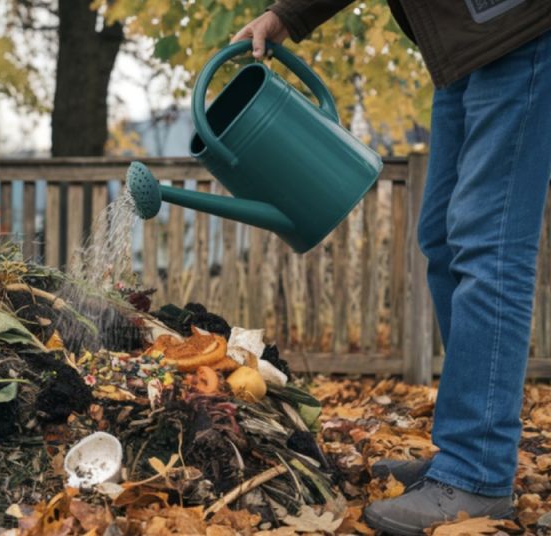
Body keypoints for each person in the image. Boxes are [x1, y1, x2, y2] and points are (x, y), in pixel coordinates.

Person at [233, 1, 551, 534]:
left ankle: (478, 467)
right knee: (445, 242)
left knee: (487, 242)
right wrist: (288, 15)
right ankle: (464, 452)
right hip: (463, 42)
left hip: (516, 25)